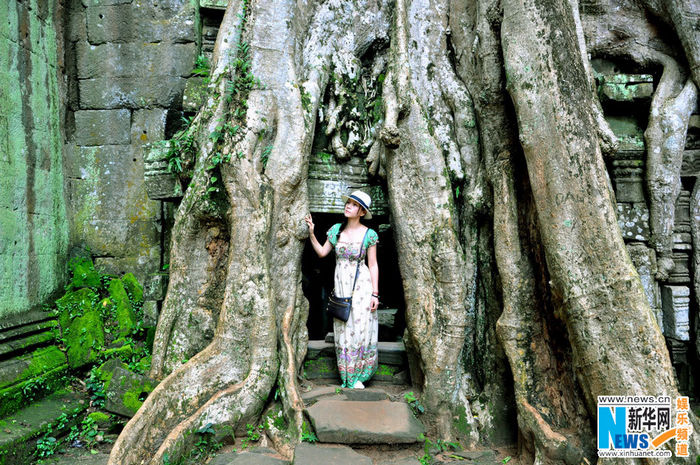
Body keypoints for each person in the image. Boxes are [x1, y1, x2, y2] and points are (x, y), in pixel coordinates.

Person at [305, 191, 379, 389]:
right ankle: (347, 375)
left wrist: (375, 294)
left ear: (362, 212)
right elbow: (322, 252)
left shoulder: (369, 235)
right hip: (342, 286)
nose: (348, 206)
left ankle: (359, 376)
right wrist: (312, 233)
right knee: (344, 327)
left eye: (354, 205)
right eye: (348, 203)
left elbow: (373, 265)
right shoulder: (336, 230)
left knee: (361, 327)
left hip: (362, 286)